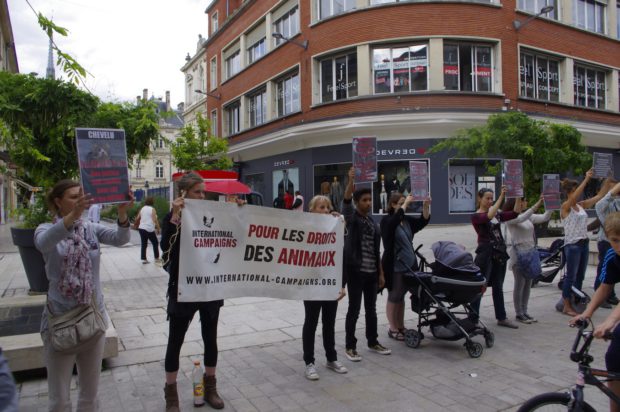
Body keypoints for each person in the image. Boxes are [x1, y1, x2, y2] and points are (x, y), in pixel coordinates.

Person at [34, 180, 132, 411]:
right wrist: (72, 217)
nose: (80, 201)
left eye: (82, 196)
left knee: (90, 395)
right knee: (59, 400)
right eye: (73, 197)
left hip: (92, 319)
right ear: (58, 201)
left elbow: (121, 238)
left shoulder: (90, 228)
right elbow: (43, 244)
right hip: (61, 323)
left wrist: (122, 211)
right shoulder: (46, 230)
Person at [160, 172, 224, 411]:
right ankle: (171, 394)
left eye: (203, 191)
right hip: (183, 289)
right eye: (197, 191)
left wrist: (240, 211)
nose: (202, 195)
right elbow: (165, 249)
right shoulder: (173, 217)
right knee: (175, 341)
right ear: (183, 193)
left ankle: (210, 387)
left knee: (211, 339)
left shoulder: (212, 215)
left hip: (209, 287)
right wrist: (175, 216)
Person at [570, 211, 620, 412]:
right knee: (614, 357)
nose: (619, 245)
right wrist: (587, 313)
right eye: (615, 240)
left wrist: (609, 321)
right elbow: (605, 287)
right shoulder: (612, 256)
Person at [342, 167, 391, 362]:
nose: (368, 203)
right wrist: (350, 180)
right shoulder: (352, 219)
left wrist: (380, 274)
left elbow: (376, 250)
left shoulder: (372, 222)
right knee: (354, 310)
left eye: (370, 200)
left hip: (372, 274)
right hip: (355, 273)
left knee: (371, 310)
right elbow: (345, 203)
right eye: (364, 200)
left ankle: (373, 341)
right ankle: (350, 346)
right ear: (357, 203)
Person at [302, 195, 348, 380]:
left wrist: (342, 285)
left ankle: (331, 358)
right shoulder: (304, 228)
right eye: (321, 207)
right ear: (311, 210)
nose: (325, 211)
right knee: (311, 323)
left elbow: (341, 258)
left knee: (329, 322)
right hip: (311, 285)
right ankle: (309, 362)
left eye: (327, 207)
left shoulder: (334, 229)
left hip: (329, 284)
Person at [380, 192, 430, 340]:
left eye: (405, 202)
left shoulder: (405, 220)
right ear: (393, 205)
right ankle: (392, 327)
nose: (404, 205)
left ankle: (401, 325)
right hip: (395, 265)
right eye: (401, 202)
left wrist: (426, 206)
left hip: (409, 264)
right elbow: (392, 223)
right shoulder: (387, 220)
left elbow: (422, 221)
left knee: (402, 296)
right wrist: (406, 204)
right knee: (394, 295)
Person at [470, 186, 519, 328]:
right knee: (480, 286)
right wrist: (501, 197)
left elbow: (515, 213)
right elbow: (488, 216)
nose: (490, 201)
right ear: (479, 199)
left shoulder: (496, 214)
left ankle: (501, 317)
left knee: (498, 286)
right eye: (487, 198)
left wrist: (517, 195)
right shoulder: (477, 216)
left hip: (498, 253)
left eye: (492, 198)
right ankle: (473, 318)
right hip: (485, 254)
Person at [560, 169, 605, 316]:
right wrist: (586, 179)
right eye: (575, 190)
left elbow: (600, 196)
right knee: (570, 276)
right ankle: (566, 305)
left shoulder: (581, 205)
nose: (578, 193)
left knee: (580, 276)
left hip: (583, 244)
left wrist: (608, 183)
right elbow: (573, 199)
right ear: (570, 192)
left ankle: (576, 301)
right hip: (572, 245)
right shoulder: (565, 206)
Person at [504, 195, 551, 324]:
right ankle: (519, 313)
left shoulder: (527, 216)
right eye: (523, 200)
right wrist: (538, 203)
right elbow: (521, 218)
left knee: (528, 285)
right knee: (520, 284)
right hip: (518, 255)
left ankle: (525, 311)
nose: (525, 203)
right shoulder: (510, 218)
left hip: (530, 253)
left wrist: (551, 204)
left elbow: (544, 217)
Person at [594, 180, 620, 308]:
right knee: (604, 271)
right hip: (606, 242)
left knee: (613, 271)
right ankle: (600, 296)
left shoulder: (616, 203)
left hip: (616, 241)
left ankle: (610, 295)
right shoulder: (604, 205)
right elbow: (599, 204)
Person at [136, 196, 161, 264]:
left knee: (144, 244)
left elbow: (138, 217)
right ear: (152, 202)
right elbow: (154, 220)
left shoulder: (142, 208)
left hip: (141, 228)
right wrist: (158, 228)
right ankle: (156, 258)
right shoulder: (152, 209)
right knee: (155, 243)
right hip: (149, 228)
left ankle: (144, 259)